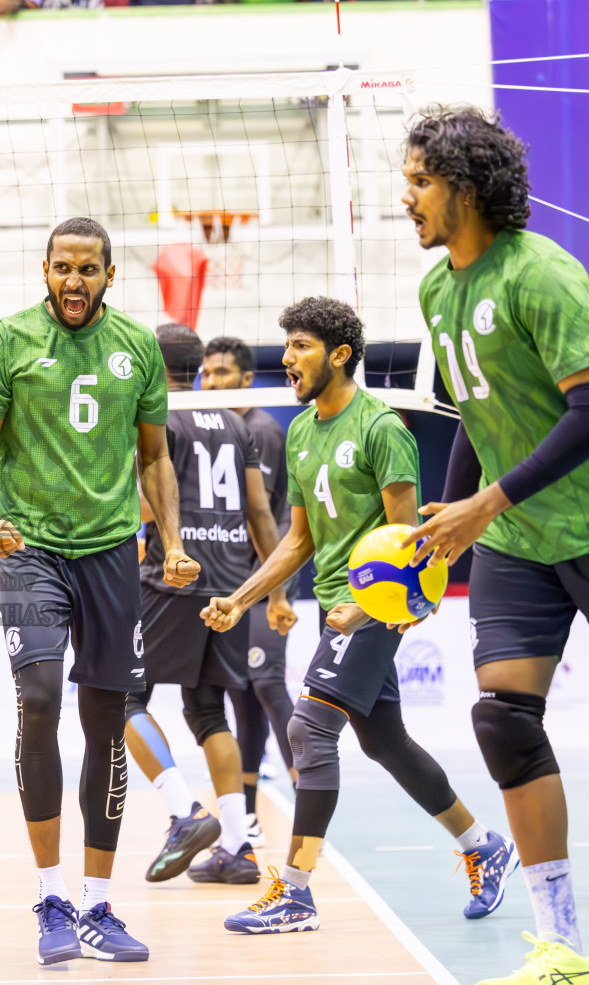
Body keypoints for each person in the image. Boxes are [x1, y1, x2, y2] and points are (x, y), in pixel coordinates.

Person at [403, 106, 589, 985]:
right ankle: (561, 944)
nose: (405, 198)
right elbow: (473, 417)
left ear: (465, 187)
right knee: (503, 719)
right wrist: (448, 518)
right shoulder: (437, 287)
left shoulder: (543, 275)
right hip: (517, 543)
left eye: (418, 181)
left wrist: (482, 506)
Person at [201, 297, 514, 935]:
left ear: (340, 355)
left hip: (372, 611)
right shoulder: (301, 431)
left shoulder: (382, 428)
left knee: (308, 732)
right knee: (383, 741)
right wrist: (241, 597)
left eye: (302, 346)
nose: (287, 358)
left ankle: (295, 889)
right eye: (286, 345)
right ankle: (483, 843)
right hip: (337, 612)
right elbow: (298, 541)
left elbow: (415, 549)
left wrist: (373, 609)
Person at [0, 217, 199, 965]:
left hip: (109, 554)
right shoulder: (9, 341)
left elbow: (155, 458)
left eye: (88, 269)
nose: (74, 281)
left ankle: (98, 905)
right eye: (62, 268)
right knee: (37, 697)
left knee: (108, 719)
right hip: (30, 550)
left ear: (108, 274)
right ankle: (51, 897)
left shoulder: (136, 348)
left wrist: (174, 540)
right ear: (44, 270)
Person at [125, 324, 291, 887]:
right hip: (230, 583)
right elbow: (260, 513)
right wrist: (276, 590)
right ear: (199, 364)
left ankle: (184, 812)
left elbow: (147, 510)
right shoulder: (236, 422)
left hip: (172, 578)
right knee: (206, 712)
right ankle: (240, 848)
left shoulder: (159, 418)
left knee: (121, 698)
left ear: (151, 361)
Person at [201, 335, 300, 844]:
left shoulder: (259, 429)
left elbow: (263, 512)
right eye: (207, 373)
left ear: (246, 378)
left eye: (222, 373)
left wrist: (274, 587)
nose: (212, 382)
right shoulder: (222, 428)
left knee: (265, 683)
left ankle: (309, 791)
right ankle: (249, 812)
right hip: (237, 576)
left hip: (268, 573)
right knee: (241, 690)